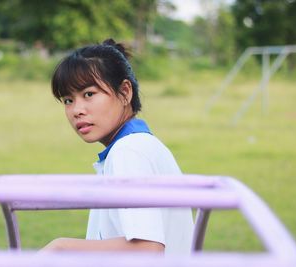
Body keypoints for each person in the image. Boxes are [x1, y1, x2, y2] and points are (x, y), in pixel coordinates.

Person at [43, 38, 194, 254]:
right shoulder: (139, 145)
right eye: (68, 100)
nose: (77, 110)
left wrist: (61, 247)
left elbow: (147, 249)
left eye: (89, 94)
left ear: (125, 92)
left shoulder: (129, 152)